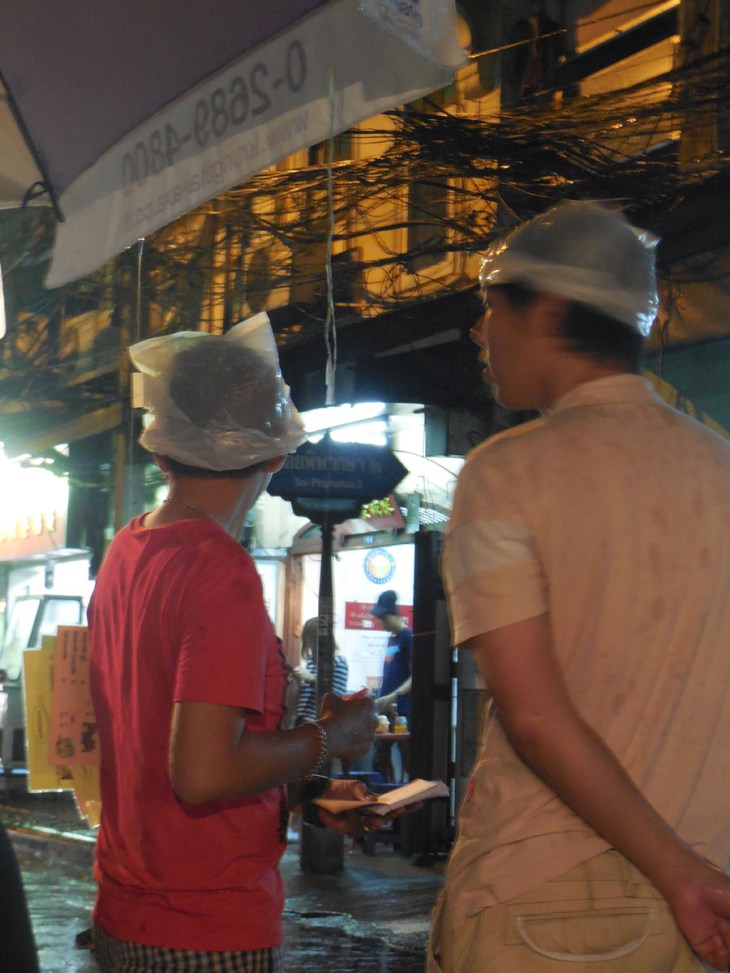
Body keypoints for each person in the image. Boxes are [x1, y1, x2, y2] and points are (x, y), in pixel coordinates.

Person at [429, 201, 730, 972]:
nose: (481, 335)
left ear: (551, 310)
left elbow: (534, 717)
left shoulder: (507, 470)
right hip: (707, 900)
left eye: (493, 309)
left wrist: (678, 873)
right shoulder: (721, 465)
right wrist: (693, 873)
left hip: (554, 897)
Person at [87, 313, 379, 973]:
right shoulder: (220, 570)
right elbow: (203, 774)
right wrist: (333, 736)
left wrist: (304, 794)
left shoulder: (128, 549)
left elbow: (164, 754)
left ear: (160, 450)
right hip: (203, 929)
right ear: (276, 453)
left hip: (126, 912)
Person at [371, 589, 412, 783]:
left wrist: (394, 696)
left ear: (392, 615)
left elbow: (415, 675)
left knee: (408, 760)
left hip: (403, 710)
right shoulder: (392, 638)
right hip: (386, 711)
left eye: (383, 618)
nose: (381, 623)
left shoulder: (408, 637)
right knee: (379, 759)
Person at [293, 617, 349, 726]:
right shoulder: (311, 662)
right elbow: (307, 695)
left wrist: (311, 679)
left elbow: (335, 699)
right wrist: (298, 682)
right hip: (302, 722)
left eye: (313, 639)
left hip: (321, 725)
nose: (310, 644)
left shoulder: (338, 662)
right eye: (308, 639)